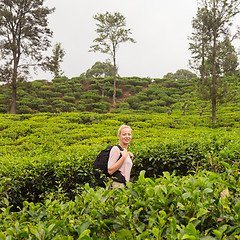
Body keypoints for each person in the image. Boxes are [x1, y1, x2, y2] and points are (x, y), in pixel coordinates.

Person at [107, 124, 134, 189]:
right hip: (117, 185)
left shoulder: (125, 151)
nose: (127, 136)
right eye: (124, 134)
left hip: (124, 184)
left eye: (129, 134)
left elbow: (124, 169)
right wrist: (123, 157)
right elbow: (110, 170)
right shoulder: (116, 149)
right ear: (119, 136)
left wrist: (130, 159)